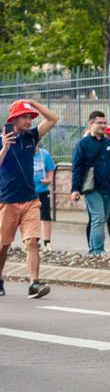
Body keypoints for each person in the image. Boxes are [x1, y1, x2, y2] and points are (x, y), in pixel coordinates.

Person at [0, 99, 58, 299]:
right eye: (25, 117)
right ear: (13, 120)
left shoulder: (31, 137)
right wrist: (5, 148)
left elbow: (53, 118)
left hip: (30, 200)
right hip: (7, 201)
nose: (29, 120)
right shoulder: (2, 141)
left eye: (30, 117)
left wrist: (33, 103)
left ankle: (34, 283)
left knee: (32, 241)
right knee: (3, 245)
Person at [71, 110, 110, 255]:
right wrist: (75, 189)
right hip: (92, 188)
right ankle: (97, 251)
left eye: (105, 123)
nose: (103, 125)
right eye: (100, 123)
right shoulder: (83, 144)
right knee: (98, 219)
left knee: (100, 220)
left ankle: (93, 250)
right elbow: (77, 168)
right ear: (91, 123)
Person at [33, 145, 55, 251]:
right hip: (28, 192)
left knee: (45, 216)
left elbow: (50, 169)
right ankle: (30, 241)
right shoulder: (24, 154)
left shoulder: (44, 154)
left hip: (42, 190)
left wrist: (49, 179)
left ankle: (47, 242)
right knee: (30, 217)